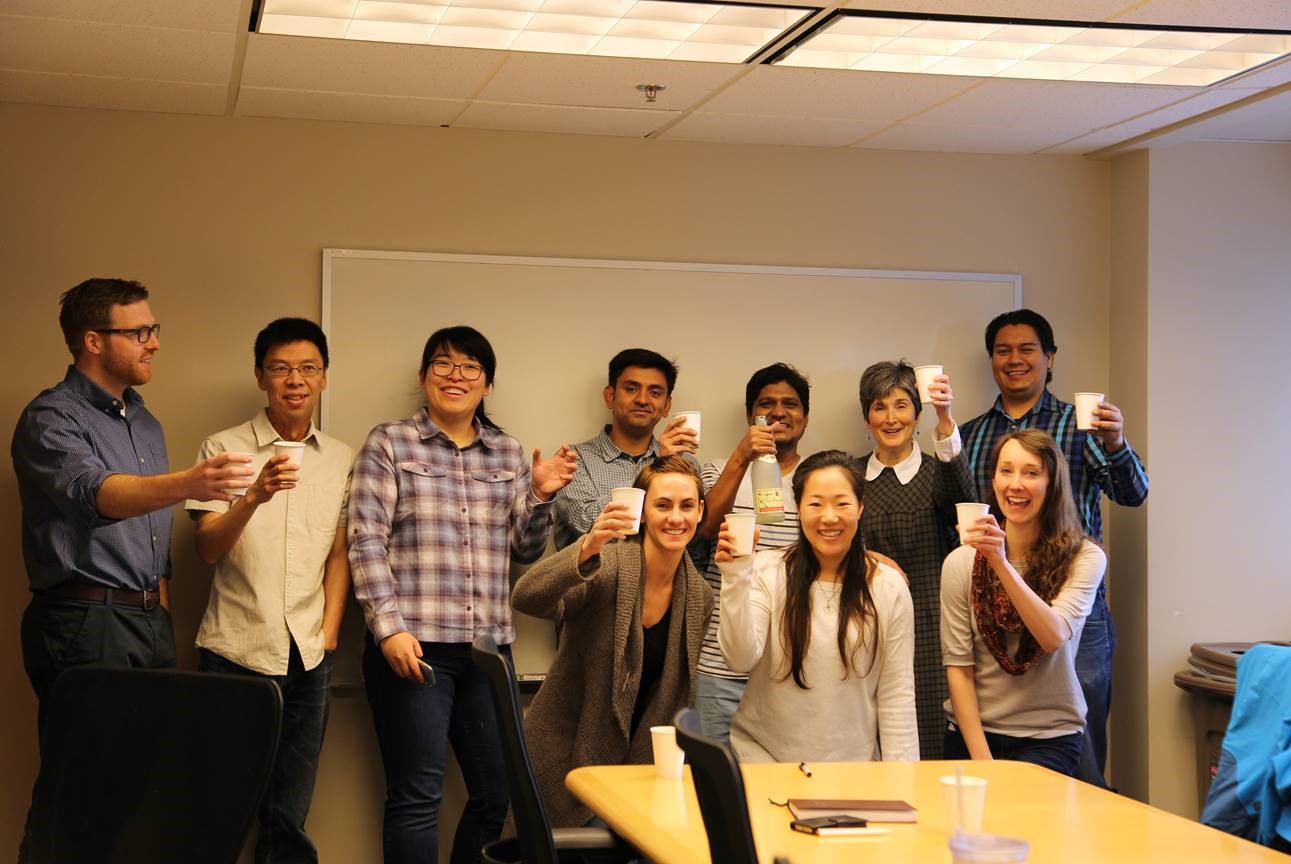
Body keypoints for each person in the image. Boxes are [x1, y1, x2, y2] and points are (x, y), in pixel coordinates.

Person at [12, 278, 252, 862]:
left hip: (146, 621)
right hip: (84, 619)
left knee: (141, 792)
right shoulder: (50, 417)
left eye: (154, 330)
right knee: (81, 794)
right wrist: (191, 484)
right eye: (138, 331)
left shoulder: (143, 421)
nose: (153, 343)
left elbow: (148, 537)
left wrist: (161, 608)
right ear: (93, 340)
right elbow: (97, 495)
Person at [348, 325, 577, 864]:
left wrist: (540, 493)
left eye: (470, 367)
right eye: (444, 364)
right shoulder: (389, 442)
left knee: (497, 794)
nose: (456, 376)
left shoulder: (508, 452)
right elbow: (364, 539)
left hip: (485, 652)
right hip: (413, 649)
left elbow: (523, 551)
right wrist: (388, 629)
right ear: (424, 376)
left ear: (487, 384)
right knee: (416, 798)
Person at [185, 317, 352, 864]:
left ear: (325, 377)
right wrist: (253, 495)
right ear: (261, 378)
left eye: (308, 368)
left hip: (308, 656)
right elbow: (207, 548)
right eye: (281, 369)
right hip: (235, 649)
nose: (295, 380)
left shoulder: (341, 458)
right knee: (221, 803)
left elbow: (338, 554)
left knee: (289, 815)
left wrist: (328, 633)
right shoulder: (224, 448)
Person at [960, 309, 1147, 783]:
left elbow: (1133, 494)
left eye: (1027, 349)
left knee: (1078, 749)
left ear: (1049, 357)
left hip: (1074, 607)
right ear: (991, 360)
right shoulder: (972, 434)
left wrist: (1117, 442)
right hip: (996, 606)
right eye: (1003, 350)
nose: (1014, 359)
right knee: (996, 732)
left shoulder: (1082, 425)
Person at [513, 456, 713, 827]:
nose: (675, 518)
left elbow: (671, 700)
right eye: (663, 505)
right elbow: (527, 597)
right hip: (566, 756)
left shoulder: (699, 596)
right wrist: (588, 547)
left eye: (687, 506)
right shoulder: (608, 566)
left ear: (700, 511)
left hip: (633, 769)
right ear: (642, 512)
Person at [715, 449, 918, 763]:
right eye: (815, 503)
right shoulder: (768, 571)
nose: (829, 517)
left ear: (861, 507)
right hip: (765, 762)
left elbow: (897, 695)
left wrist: (903, 783)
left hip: (853, 771)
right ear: (798, 508)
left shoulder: (887, 587)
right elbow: (739, 658)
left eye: (842, 503)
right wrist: (736, 576)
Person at [940, 429, 1106, 776]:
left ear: (1052, 484)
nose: (1015, 484)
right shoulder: (961, 562)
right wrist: (984, 765)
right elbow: (958, 668)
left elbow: (1054, 636)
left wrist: (1000, 562)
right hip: (973, 736)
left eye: (1031, 473)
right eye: (1006, 471)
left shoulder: (1084, 557)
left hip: (1049, 737)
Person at [858, 360, 974, 758]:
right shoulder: (851, 476)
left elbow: (964, 502)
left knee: (925, 747)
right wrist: (866, 558)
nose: (891, 418)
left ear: (917, 413)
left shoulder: (934, 473)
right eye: (879, 407)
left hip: (927, 632)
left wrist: (946, 420)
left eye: (901, 405)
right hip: (859, 630)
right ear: (867, 416)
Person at [693, 363, 809, 743]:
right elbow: (706, 528)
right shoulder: (715, 471)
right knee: (714, 789)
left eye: (790, 404)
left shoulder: (820, 478)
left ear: (805, 417)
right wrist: (742, 457)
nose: (779, 413)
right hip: (720, 665)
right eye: (767, 404)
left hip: (791, 667)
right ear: (749, 415)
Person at [553, 348, 697, 550]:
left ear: (666, 406)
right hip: (595, 581)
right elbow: (586, 524)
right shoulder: (573, 460)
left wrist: (670, 463)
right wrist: (659, 468)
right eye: (631, 389)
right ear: (610, 396)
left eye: (655, 393)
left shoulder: (686, 463)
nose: (643, 400)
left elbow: (694, 540)